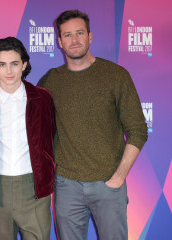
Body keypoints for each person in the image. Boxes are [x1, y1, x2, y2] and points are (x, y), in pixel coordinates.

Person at [37, 10, 148, 240]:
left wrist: (118, 178)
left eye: (79, 33)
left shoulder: (116, 76)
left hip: (108, 185)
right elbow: (29, 120)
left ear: (90, 36)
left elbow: (138, 131)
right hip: (66, 186)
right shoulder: (51, 80)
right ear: (59, 41)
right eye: (67, 35)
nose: (74, 40)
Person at [0, 37, 56, 240]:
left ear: (24, 65)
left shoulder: (42, 99)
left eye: (14, 64)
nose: (9, 71)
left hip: (34, 187)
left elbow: (52, 135)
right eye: (2, 64)